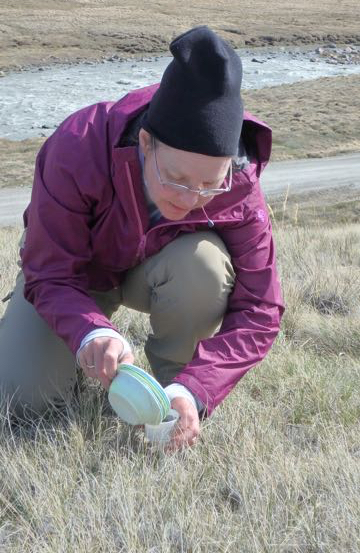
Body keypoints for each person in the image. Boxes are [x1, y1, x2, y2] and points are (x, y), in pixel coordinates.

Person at [0, 26, 285, 450]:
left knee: (203, 267)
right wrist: (91, 334)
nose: (192, 198)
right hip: (74, 279)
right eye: (175, 179)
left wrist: (196, 387)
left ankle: (173, 396)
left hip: (161, 272)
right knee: (23, 397)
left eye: (211, 183)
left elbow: (261, 308)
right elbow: (49, 271)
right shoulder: (78, 147)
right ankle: (78, 363)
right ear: (146, 143)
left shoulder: (239, 179)